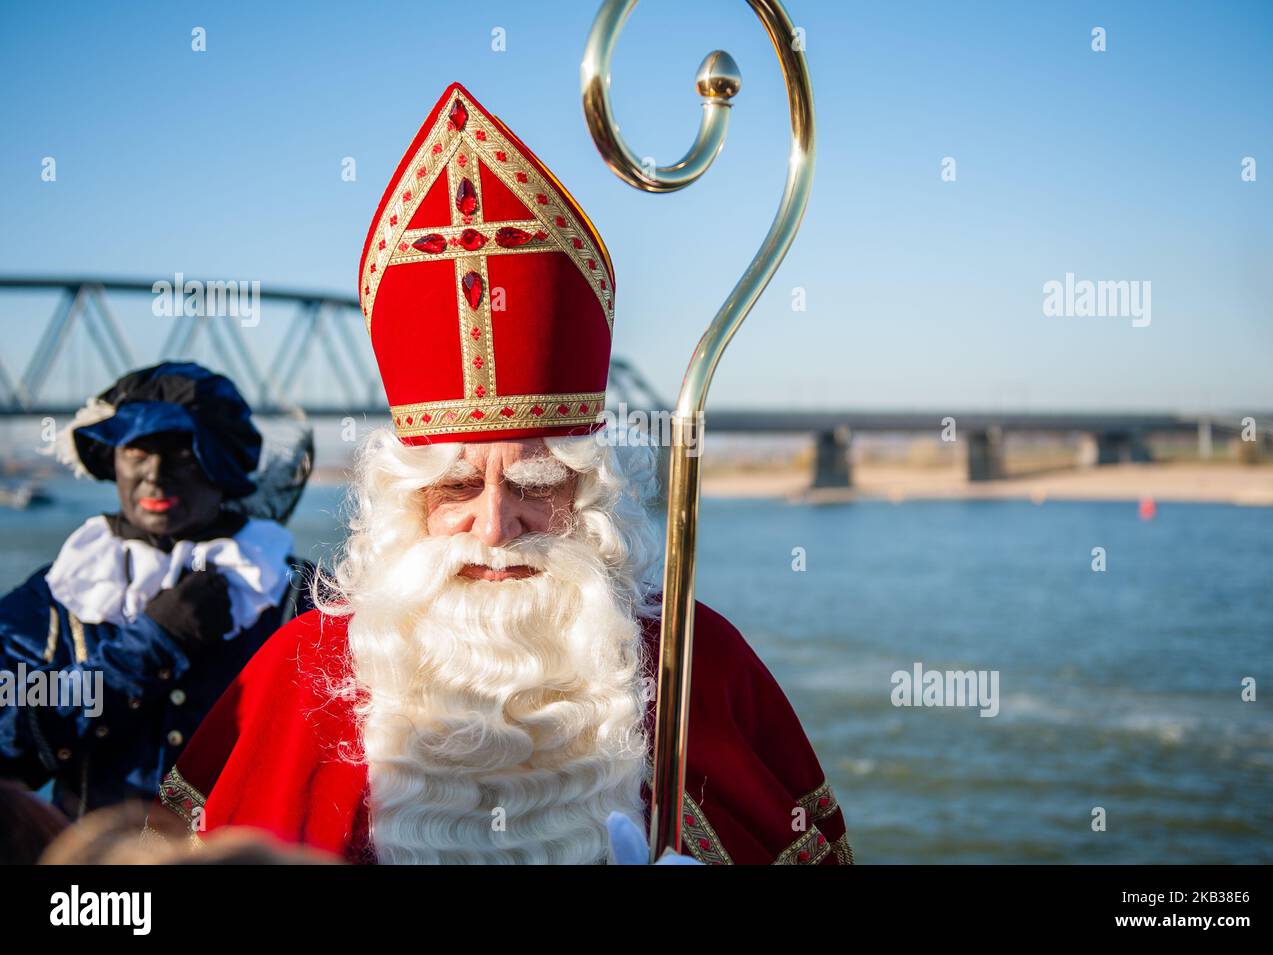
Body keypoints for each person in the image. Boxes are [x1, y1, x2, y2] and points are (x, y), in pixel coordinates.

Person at [150, 84, 852, 865]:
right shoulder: (297, 676)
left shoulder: (694, 664)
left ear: (588, 497)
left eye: (536, 483)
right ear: (404, 502)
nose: (494, 526)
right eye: (457, 487)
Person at [0, 362, 314, 819]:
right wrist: (151, 644)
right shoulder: (57, 596)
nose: (155, 474)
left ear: (222, 464)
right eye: (137, 451)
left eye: (182, 453)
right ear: (113, 459)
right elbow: (11, 752)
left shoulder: (297, 596)